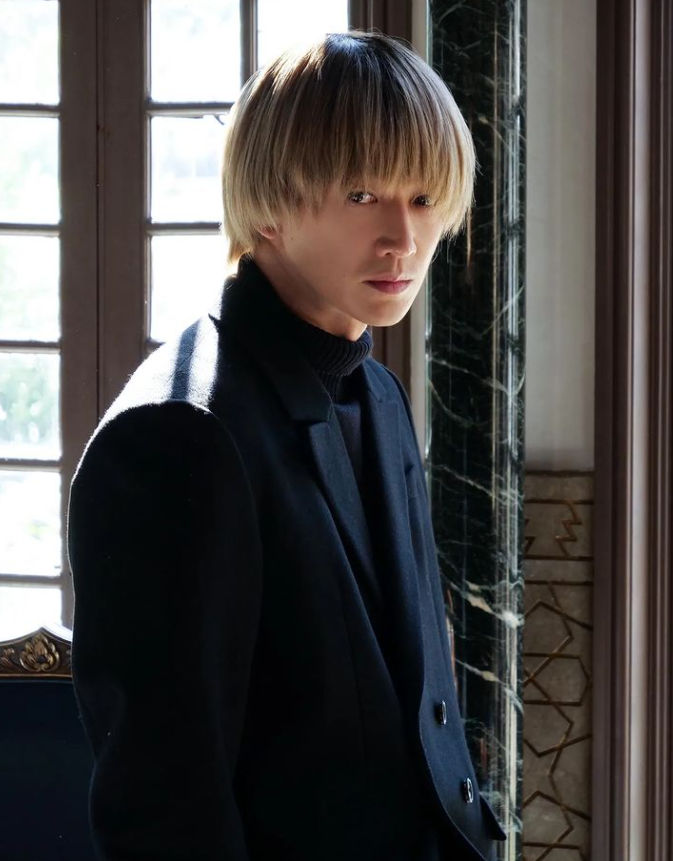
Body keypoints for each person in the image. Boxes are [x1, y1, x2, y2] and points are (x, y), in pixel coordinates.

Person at [67, 29, 508, 861]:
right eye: (361, 194)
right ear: (268, 199)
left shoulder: (376, 393)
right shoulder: (176, 437)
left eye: (422, 198)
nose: (403, 238)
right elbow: (165, 810)